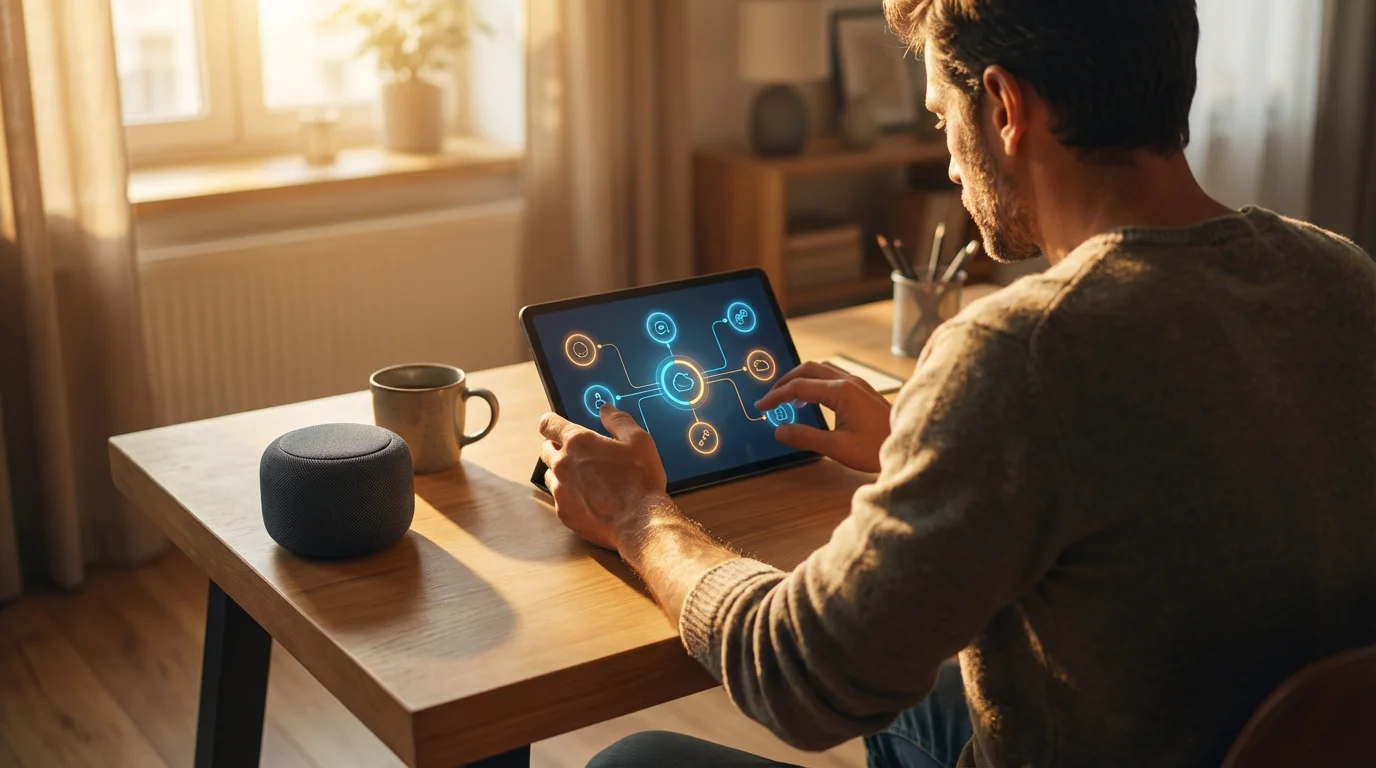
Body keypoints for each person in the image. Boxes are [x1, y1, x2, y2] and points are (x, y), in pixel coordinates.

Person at [535, 0, 1376, 765]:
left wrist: (639, 515)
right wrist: (920, 444)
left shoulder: (1022, 351)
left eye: (942, 117)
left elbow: (799, 676)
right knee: (934, 694)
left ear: (1005, 110)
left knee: (631, 761)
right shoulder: (1341, 274)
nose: (947, 164)